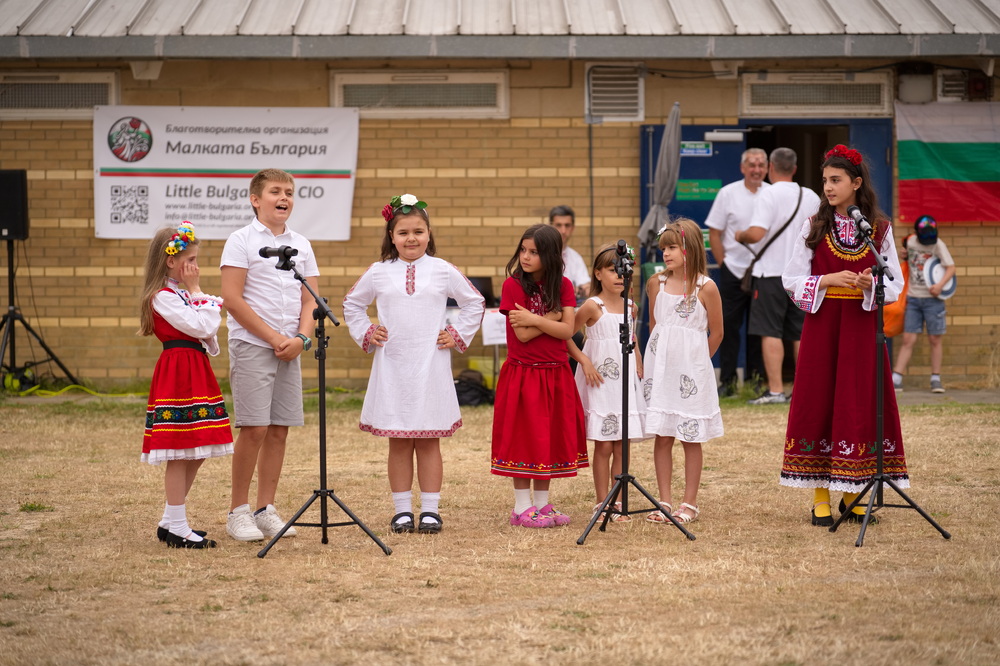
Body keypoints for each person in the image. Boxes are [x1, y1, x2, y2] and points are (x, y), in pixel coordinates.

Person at [781, 144, 908, 526]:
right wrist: (827, 280)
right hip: (823, 326)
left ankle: (853, 494)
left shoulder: (880, 230)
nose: (828, 187)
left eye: (835, 180)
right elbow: (791, 278)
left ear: (856, 183)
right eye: (824, 181)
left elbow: (896, 283)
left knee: (857, 403)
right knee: (819, 400)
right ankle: (820, 496)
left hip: (860, 327)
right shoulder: (813, 225)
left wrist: (872, 283)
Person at [343, 194, 485, 534]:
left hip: (430, 365)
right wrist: (368, 330)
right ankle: (403, 510)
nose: (411, 238)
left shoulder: (442, 269)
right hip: (393, 365)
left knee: (428, 439)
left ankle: (431, 510)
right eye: (403, 232)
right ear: (391, 235)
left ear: (429, 233)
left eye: (418, 231)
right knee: (399, 439)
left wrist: (456, 333)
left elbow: (474, 302)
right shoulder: (378, 273)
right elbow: (352, 304)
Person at [220, 168, 319, 542]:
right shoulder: (240, 240)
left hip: (289, 347)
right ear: (255, 199)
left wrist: (301, 338)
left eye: (290, 192)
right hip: (253, 345)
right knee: (255, 427)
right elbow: (232, 298)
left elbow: (310, 297)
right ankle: (238, 511)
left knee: (278, 430)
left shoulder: (302, 244)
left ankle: (266, 510)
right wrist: (275, 337)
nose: (284, 198)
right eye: (276, 191)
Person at [139, 222, 233, 549]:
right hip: (178, 370)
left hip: (195, 367)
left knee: (198, 447)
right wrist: (197, 291)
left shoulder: (180, 293)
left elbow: (208, 335)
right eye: (190, 260)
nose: (195, 267)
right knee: (180, 451)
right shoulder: (163, 297)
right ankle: (178, 525)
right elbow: (203, 324)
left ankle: (170, 519)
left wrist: (195, 296)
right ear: (170, 261)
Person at [491, 224, 588, 528]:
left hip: (556, 374)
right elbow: (521, 335)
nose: (526, 257)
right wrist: (552, 317)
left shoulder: (564, 286)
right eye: (523, 250)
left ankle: (543, 505)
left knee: (547, 440)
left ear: (550, 255)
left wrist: (538, 319)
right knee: (524, 439)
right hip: (524, 375)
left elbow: (568, 331)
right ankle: (521, 508)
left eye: (533, 252)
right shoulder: (513, 286)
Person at [642, 218, 724, 525]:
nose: (666, 253)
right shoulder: (656, 284)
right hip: (661, 373)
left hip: (691, 376)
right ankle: (664, 500)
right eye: (663, 248)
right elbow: (655, 327)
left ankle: (689, 503)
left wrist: (698, 366)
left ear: (689, 249)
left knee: (690, 438)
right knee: (662, 436)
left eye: (672, 247)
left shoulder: (707, 288)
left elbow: (716, 333)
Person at [735, 147, 821, 404]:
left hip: (771, 273)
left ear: (771, 167)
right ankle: (803, 389)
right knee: (799, 333)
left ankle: (775, 391)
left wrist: (741, 235)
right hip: (802, 275)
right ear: (794, 169)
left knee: (770, 332)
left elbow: (757, 234)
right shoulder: (811, 196)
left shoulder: (767, 194)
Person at [569, 244, 646, 523]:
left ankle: (619, 501)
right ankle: (602, 502)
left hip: (623, 381)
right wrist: (584, 361)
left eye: (623, 271)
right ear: (598, 273)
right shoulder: (592, 306)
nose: (618, 276)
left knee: (621, 445)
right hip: (600, 381)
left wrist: (638, 361)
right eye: (612, 271)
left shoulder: (631, 307)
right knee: (603, 444)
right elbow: (567, 334)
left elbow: (632, 339)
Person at [706, 148, 769, 396]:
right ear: (743, 168)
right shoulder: (728, 193)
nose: (756, 169)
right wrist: (723, 264)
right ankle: (728, 382)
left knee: (759, 328)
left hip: (763, 272)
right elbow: (714, 233)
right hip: (733, 270)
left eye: (761, 165)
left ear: (767, 168)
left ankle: (756, 380)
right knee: (729, 327)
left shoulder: (772, 194)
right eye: (751, 165)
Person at [892, 215, 955, 394]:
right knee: (908, 339)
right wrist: (902, 254)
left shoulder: (938, 245)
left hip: (933, 300)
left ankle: (936, 378)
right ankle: (896, 377)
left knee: (935, 338)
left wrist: (940, 286)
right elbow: (905, 255)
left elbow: (951, 268)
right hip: (913, 297)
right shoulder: (911, 241)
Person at [549, 205, 591, 302]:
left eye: (567, 225)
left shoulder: (576, 257)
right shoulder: (539, 253)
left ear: (572, 228)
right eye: (558, 225)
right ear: (550, 226)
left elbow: (586, 286)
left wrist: (582, 289)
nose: (563, 231)